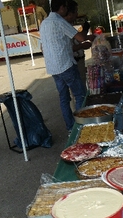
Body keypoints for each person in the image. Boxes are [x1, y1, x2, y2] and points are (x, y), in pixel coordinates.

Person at [40, 0, 89, 132]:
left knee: (64, 99)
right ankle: (80, 127)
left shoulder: (44, 23)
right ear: (62, 8)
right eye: (66, 8)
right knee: (80, 95)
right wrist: (85, 30)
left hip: (53, 68)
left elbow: (42, 47)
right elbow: (81, 38)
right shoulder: (59, 21)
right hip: (65, 65)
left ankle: (70, 128)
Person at [64, 0, 94, 111]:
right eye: (75, 11)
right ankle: (82, 113)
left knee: (81, 89)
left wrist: (85, 32)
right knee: (78, 92)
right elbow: (70, 46)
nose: (77, 14)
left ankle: (83, 110)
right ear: (69, 12)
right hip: (73, 60)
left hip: (78, 59)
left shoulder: (69, 25)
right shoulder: (64, 25)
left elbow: (79, 38)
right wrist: (82, 45)